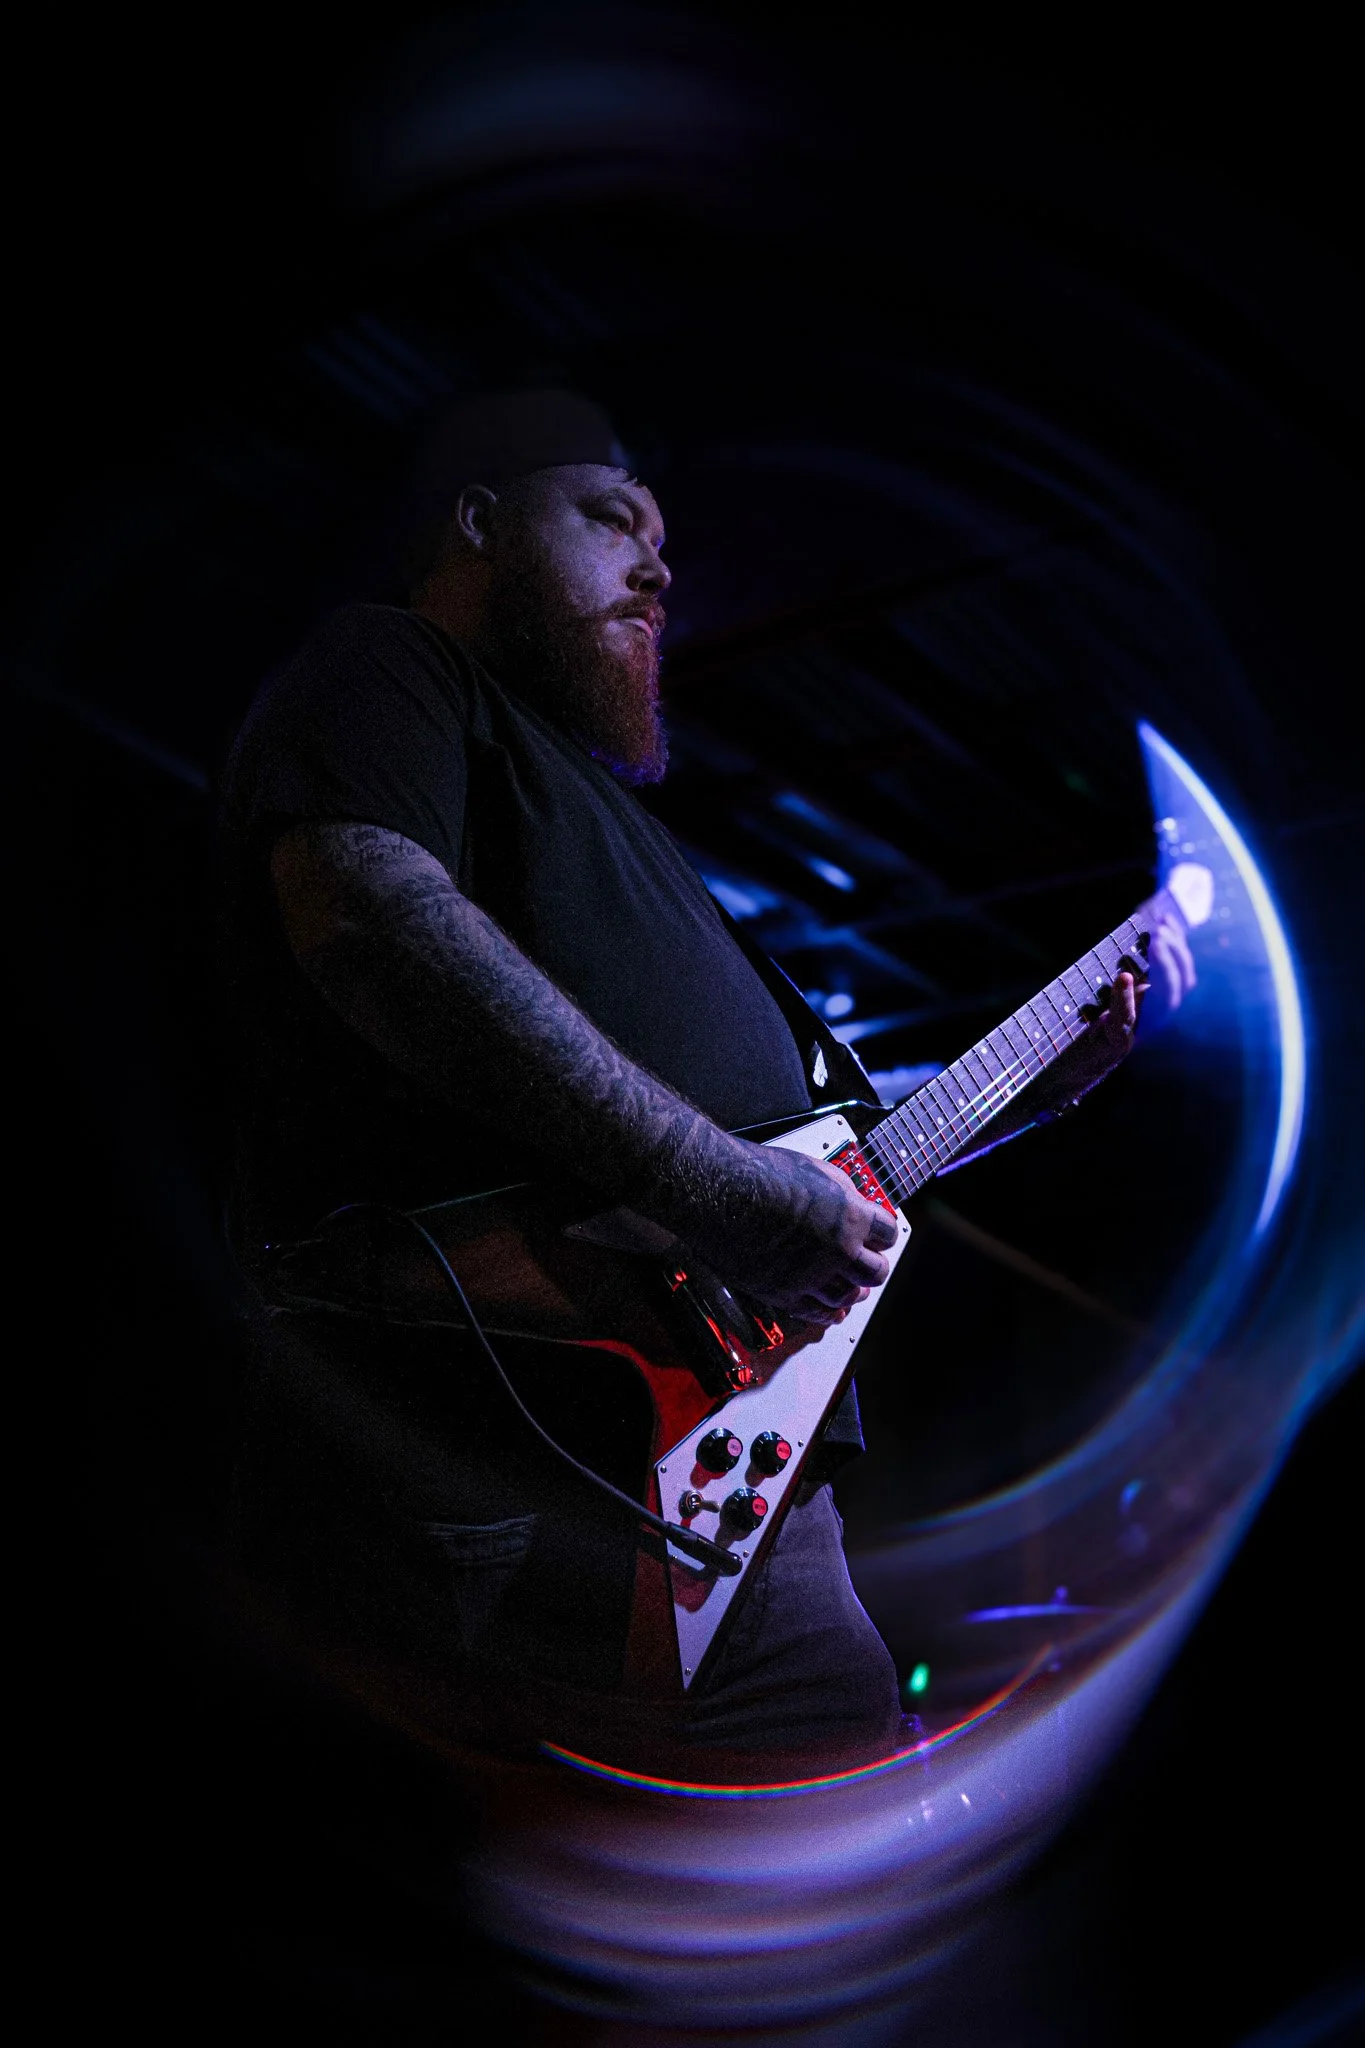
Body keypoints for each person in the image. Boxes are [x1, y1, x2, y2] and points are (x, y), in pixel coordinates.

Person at [218, 389, 1189, 1781]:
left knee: (820, 1869)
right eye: (612, 517)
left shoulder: (623, 830)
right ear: (480, 523)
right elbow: (372, 921)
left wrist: (1043, 1078)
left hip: (743, 1488)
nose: (662, 565)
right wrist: (714, 1189)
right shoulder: (392, 671)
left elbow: (830, 1151)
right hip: (503, 1434)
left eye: (665, 537)